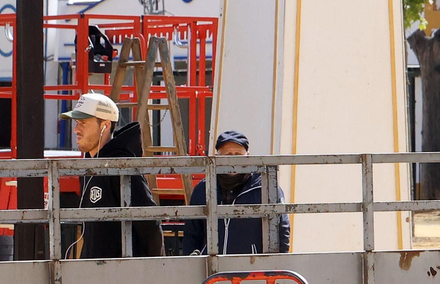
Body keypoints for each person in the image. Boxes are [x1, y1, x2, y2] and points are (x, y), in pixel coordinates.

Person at [63, 92, 164, 259]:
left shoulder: (122, 165)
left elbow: (150, 225)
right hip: (95, 274)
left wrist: (151, 271)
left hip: (121, 275)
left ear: (105, 125)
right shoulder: (88, 165)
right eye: (76, 122)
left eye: (83, 123)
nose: (76, 129)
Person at [180, 130, 290, 255]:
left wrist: (277, 265)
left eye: (238, 154)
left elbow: (282, 230)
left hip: (253, 269)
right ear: (217, 157)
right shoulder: (204, 188)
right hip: (213, 268)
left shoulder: (266, 187)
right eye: (227, 154)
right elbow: (192, 234)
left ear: (247, 156)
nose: (232, 159)